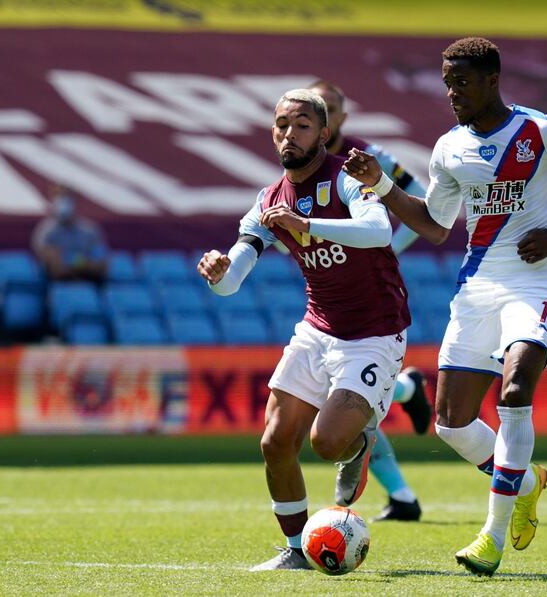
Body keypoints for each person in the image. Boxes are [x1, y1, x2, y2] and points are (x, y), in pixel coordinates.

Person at [343, 37, 547, 575]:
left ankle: (491, 538)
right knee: (451, 423)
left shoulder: (544, 130)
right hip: (477, 287)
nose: (453, 93)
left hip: (537, 282)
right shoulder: (449, 147)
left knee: (516, 388)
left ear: (493, 80)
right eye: (448, 84)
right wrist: (380, 184)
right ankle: (526, 480)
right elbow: (432, 225)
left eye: (464, 83)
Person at [197, 89, 412, 571]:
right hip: (318, 328)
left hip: (375, 332)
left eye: (301, 125)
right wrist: (218, 272)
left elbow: (380, 232)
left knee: (325, 443)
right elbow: (233, 281)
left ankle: (361, 439)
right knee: (274, 442)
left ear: (323, 133)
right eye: (281, 125)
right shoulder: (269, 199)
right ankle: (295, 550)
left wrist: (306, 224)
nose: (289, 134)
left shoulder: (349, 177)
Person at [309, 79, 431, 522]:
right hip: (328, 290)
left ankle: (401, 492)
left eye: (329, 106)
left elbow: (425, 199)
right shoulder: (301, 160)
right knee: (345, 395)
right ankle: (401, 492)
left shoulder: (367, 156)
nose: (319, 112)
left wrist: (389, 248)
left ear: (340, 118)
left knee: (343, 396)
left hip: (369, 291)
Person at [31, 185, 108, 282]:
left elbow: (101, 265)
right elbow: (57, 269)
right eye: (59, 199)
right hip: (57, 286)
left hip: (90, 283)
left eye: (67, 198)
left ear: (74, 202)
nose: (63, 203)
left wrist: (75, 263)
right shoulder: (45, 232)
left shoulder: (90, 230)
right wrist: (83, 263)